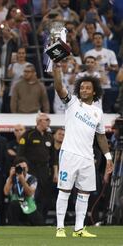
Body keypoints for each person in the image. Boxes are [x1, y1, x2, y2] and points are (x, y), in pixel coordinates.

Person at [53, 63, 114, 237]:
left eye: (88, 88)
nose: (84, 89)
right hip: (69, 154)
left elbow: (101, 137)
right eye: (82, 87)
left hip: (88, 157)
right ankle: (60, 227)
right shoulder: (72, 103)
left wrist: (108, 157)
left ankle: (79, 228)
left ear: (94, 92)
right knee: (64, 191)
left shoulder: (97, 113)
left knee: (84, 193)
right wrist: (57, 70)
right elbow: (59, 87)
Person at [18, 113, 57, 220]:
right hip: (31, 169)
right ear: (39, 121)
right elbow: (20, 154)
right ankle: (28, 218)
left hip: (44, 170)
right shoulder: (28, 134)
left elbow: (54, 158)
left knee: (44, 195)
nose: (49, 122)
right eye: (47, 120)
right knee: (30, 195)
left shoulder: (49, 136)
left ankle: (41, 219)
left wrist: (55, 173)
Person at [3, 157, 44, 226]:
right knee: (14, 204)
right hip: (15, 206)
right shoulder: (12, 178)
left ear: (27, 168)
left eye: (24, 168)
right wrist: (10, 176)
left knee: (40, 223)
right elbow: (6, 192)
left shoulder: (32, 179)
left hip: (28, 205)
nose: (22, 170)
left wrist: (22, 180)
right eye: (20, 168)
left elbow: (30, 193)